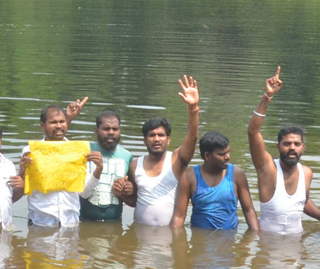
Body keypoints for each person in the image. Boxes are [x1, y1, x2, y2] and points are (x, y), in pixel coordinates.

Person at [247, 67, 320, 234]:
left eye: (297, 144)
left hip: (296, 250)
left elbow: (303, 203)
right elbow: (252, 131)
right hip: (268, 250)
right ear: (278, 147)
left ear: (303, 148)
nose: (292, 147)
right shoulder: (267, 169)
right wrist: (267, 97)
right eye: (287, 144)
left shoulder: (307, 173)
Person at [121, 76, 201, 226]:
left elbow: (192, 137)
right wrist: (122, 194)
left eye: (161, 135)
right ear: (144, 140)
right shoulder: (134, 165)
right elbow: (134, 201)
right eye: (152, 135)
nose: (157, 139)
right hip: (139, 233)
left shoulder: (177, 159)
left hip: (169, 235)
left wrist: (193, 109)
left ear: (168, 140)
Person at [19, 102, 101, 228]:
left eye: (62, 121)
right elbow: (22, 189)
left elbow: (85, 193)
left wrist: (98, 169)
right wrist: (21, 172)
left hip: (70, 225)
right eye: (53, 122)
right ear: (42, 126)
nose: (58, 126)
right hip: (40, 225)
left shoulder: (77, 152)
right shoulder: (30, 152)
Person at [171, 132, 259, 231]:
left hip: (229, 239)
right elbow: (178, 216)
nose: (227, 157)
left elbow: (249, 210)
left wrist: (255, 237)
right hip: (200, 240)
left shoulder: (237, 175)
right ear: (207, 156)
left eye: (228, 152)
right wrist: (177, 243)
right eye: (222, 154)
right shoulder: (189, 178)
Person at [80, 110, 134, 223]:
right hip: (83, 221)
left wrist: (129, 189)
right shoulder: (84, 150)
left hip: (115, 222)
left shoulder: (127, 156)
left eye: (115, 129)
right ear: (96, 130)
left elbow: (132, 195)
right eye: (106, 129)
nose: (111, 132)